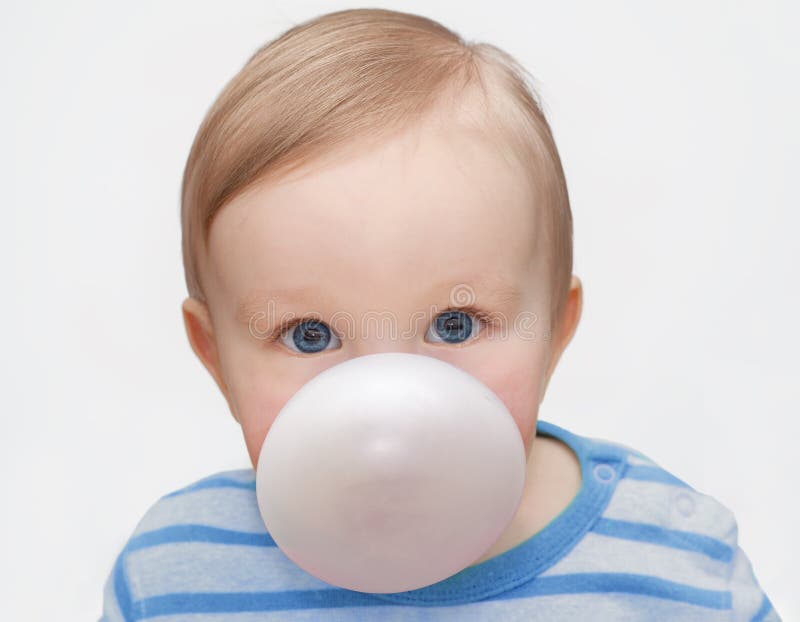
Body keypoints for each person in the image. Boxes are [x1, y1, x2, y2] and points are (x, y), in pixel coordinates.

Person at [100, 8, 779, 621]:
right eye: (310, 336)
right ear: (215, 357)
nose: (388, 410)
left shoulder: (675, 564)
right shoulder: (175, 573)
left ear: (556, 328)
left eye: (454, 325)